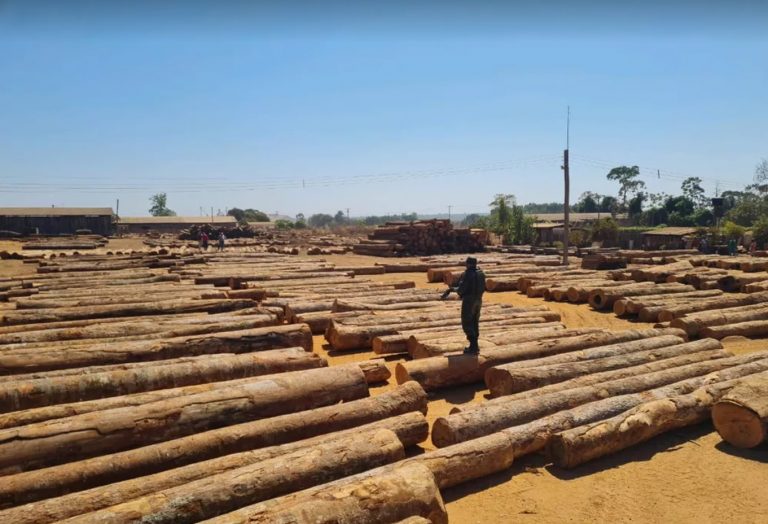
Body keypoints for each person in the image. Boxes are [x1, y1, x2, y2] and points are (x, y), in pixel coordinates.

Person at [441, 256, 486, 355]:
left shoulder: (468, 274)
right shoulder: (481, 273)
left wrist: (451, 289)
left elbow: (462, 289)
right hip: (478, 301)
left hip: (469, 301)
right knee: (475, 322)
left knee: (467, 322)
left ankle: (473, 347)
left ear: (468, 263)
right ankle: (475, 346)